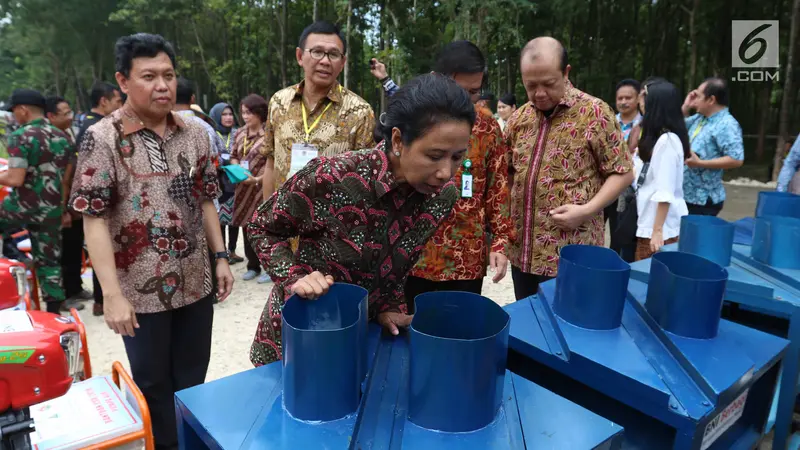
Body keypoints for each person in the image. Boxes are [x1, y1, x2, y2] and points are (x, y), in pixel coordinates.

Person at [69, 33, 233, 450]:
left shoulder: (196, 131)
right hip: (141, 292)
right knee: (153, 383)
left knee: (193, 377)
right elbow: (94, 218)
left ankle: (191, 442)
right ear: (123, 81)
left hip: (196, 280)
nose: (163, 85)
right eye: (149, 76)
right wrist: (112, 295)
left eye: (169, 75)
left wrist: (220, 258)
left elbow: (207, 199)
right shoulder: (102, 138)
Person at [247, 73, 474, 366]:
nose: (446, 172)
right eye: (434, 156)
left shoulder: (441, 196)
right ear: (398, 140)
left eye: (457, 158)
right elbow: (261, 226)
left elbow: (399, 261)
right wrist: (294, 278)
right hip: (298, 339)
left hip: (362, 341)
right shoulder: (334, 176)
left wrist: (388, 304)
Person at [370, 41, 512, 302]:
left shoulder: (488, 127)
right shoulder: (412, 120)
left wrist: (501, 242)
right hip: (411, 254)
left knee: (458, 332)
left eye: (474, 92)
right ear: (437, 79)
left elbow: (498, 187)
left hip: (464, 255)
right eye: (459, 90)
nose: (466, 102)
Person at [505, 37, 633, 300]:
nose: (539, 93)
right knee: (529, 326)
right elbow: (506, 174)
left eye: (549, 84)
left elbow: (623, 172)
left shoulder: (595, 113)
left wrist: (587, 210)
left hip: (571, 252)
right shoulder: (519, 119)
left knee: (568, 329)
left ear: (566, 73)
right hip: (523, 253)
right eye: (531, 86)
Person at [260, 21, 375, 203]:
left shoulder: (360, 112)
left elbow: (364, 182)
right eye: (317, 52)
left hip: (330, 228)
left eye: (333, 54)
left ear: (343, 62)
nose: (325, 61)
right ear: (300, 56)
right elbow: (270, 165)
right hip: (282, 224)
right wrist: (266, 222)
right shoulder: (278, 103)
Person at [0, 89, 74, 313]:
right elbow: (65, 180)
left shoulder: (20, 136)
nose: (13, 116)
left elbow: (15, 178)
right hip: (52, 208)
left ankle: (10, 272)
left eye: (14, 111)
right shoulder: (63, 137)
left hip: (23, 206)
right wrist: (62, 210)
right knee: (49, 261)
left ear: (23, 110)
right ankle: (53, 310)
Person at [75, 82, 124, 316]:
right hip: (98, 201)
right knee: (100, 246)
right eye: (117, 101)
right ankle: (102, 300)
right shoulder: (96, 129)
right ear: (103, 101)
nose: (120, 106)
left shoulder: (90, 124)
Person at [633, 81, 690, 261]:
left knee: (650, 278)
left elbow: (665, 191)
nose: (639, 102)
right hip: (651, 223)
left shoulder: (667, 141)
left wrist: (657, 231)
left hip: (659, 230)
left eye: (643, 98)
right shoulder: (659, 138)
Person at [45, 96, 87, 311]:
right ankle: (64, 295)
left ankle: (75, 287)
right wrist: (63, 209)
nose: (70, 117)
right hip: (57, 206)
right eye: (65, 113)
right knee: (60, 251)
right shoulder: (51, 140)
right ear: (51, 116)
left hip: (71, 203)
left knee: (73, 247)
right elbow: (62, 178)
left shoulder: (66, 135)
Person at [681, 77, 744, 216]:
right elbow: (680, 127)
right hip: (687, 195)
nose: (694, 99)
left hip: (703, 200)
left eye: (698, 96)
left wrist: (700, 163)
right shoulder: (701, 118)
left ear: (711, 100)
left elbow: (736, 159)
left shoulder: (726, 124)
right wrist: (686, 106)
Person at [231, 94, 271, 283]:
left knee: (264, 228)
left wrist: (257, 179)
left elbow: (274, 163)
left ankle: (269, 268)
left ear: (259, 113)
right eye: (243, 112)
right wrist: (236, 166)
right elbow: (233, 155)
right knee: (246, 228)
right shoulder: (239, 133)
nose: (245, 116)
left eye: (249, 113)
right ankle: (252, 265)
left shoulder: (269, 135)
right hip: (243, 189)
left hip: (262, 188)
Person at [209, 102, 244, 264]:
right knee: (221, 220)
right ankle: (222, 252)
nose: (228, 118)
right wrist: (226, 160)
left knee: (234, 219)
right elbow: (211, 156)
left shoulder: (238, 133)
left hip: (236, 182)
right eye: (224, 115)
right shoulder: (212, 134)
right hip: (220, 184)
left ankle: (232, 250)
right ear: (216, 116)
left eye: (230, 114)